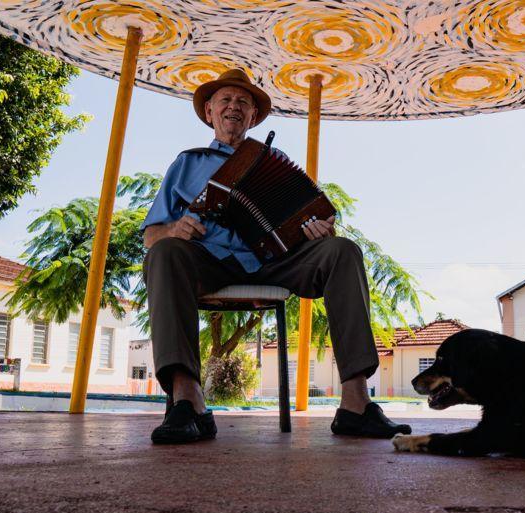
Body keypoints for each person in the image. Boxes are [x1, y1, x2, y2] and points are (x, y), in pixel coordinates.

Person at [141, 69, 411, 444]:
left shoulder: (272, 160)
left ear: (253, 116)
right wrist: (172, 229)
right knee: (164, 252)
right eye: (225, 100)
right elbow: (150, 235)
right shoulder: (187, 163)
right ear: (209, 111)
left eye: (243, 102)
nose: (234, 107)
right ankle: (189, 401)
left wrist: (318, 228)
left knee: (342, 251)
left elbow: (307, 215)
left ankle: (356, 404)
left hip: (275, 262)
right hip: (210, 260)